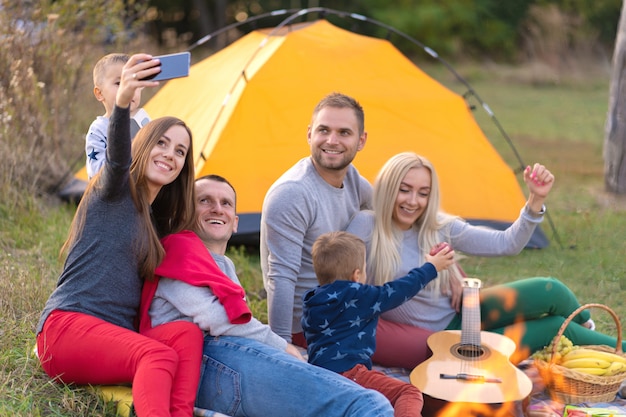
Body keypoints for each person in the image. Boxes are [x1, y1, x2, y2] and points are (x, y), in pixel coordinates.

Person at [140, 174, 395, 417]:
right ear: (186, 213)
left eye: (225, 203)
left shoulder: (220, 264)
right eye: (204, 201)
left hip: (222, 365)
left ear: (236, 221)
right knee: (369, 404)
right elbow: (219, 321)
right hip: (207, 364)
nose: (217, 208)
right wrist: (283, 346)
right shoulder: (178, 252)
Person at [346, 151, 625, 369]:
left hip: (467, 310)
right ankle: (617, 349)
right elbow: (353, 291)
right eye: (404, 189)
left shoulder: (439, 226)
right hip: (450, 337)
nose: (413, 201)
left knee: (551, 289)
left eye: (423, 193)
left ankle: (587, 327)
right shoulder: (365, 227)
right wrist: (436, 270)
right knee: (553, 329)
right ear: (387, 188)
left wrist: (535, 201)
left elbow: (506, 243)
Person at [36, 54, 203, 417]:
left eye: (180, 151)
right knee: (156, 353)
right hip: (68, 327)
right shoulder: (112, 190)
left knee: (186, 336)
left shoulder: (155, 221)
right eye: (161, 143)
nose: (170, 155)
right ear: (141, 146)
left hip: (114, 339)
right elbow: (114, 159)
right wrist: (124, 99)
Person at [261, 92, 373, 347]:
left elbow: (397, 213)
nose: (332, 141)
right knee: (425, 343)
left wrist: (450, 268)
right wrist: (282, 348)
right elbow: (281, 277)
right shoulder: (293, 192)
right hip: (312, 325)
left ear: (361, 140)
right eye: (324, 130)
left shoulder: (352, 177)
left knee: (372, 219)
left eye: (344, 132)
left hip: (346, 305)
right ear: (310, 134)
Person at [302, 231, 455, 417]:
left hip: (318, 377)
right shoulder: (357, 295)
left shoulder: (313, 301)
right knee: (408, 392)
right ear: (357, 275)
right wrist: (431, 267)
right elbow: (398, 290)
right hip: (349, 372)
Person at [86, 53, 151, 179]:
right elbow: (96, 174)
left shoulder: (144, 121)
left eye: (134, 83)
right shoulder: (99, 129)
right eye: (119, 83)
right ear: (99, 93)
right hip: (113, 196)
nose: (129, 89)